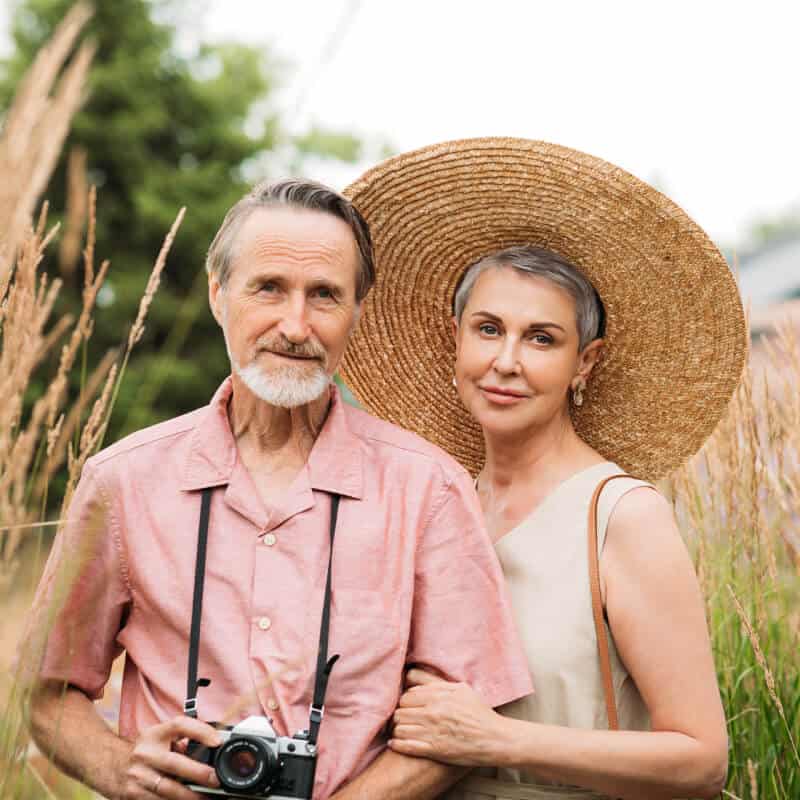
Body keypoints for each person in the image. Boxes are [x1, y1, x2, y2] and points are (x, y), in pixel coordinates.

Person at [21, 178, 533, 800]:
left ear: (356, 313)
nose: (296, 326)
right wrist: (115, 767)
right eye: (268, 288)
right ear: (217, 294)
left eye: (325, 296)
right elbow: (45, 692)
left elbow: (466, 721)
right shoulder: (121, 481)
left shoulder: (429, 489)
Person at [339, 138, 747, 800]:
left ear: (584, 364)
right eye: (489, 329)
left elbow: (702, 761)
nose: (506, 362)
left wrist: (498, 742)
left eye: (542, 339)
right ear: (455, 340)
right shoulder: (437, 506)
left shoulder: (620, 516)